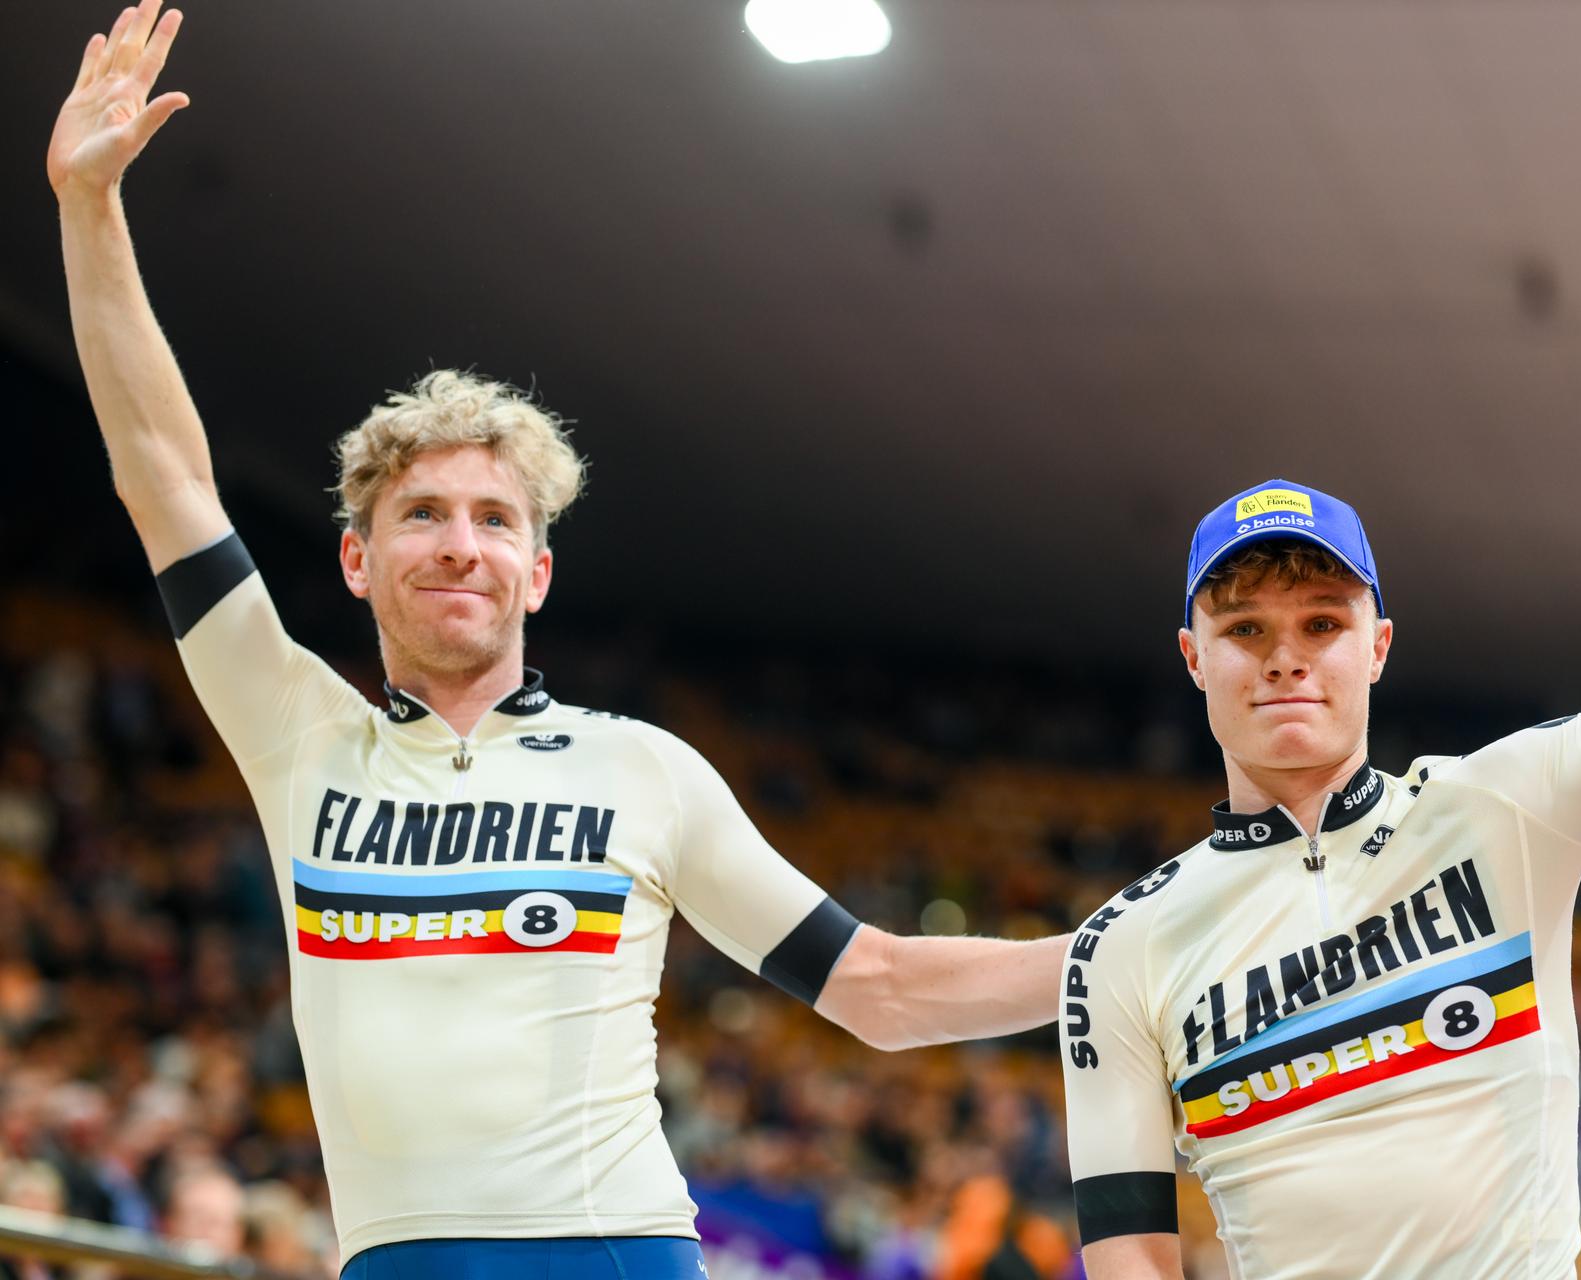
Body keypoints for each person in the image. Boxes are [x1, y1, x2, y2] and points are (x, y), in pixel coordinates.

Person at [46, 5, 1069, 1276]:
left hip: (618, 1253)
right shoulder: (297, 729)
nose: (459, 543)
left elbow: (878, 985)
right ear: (359, 560)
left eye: (493, 518)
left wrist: (1113, 960)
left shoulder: (648, 770)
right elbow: (163, 477)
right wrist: (88, 209)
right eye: (420, 514)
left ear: (539, 567)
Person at [1058, 113, 1581, 1279]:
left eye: (1322, 624)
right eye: (1246, 629)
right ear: (1191, 656)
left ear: (1378, 644)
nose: (1286, 656)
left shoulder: (1508, 804)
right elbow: (1129, 1258)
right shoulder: (1120, 948)